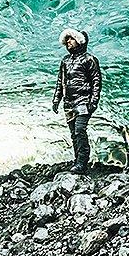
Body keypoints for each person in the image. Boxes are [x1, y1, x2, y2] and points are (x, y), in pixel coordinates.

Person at [52, 28, 102, 173]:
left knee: (80, 130)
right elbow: (60, 82)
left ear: (80, 41)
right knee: (74, 134)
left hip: (83, 101)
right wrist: (56, 100)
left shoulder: (89, 59)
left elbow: (96, 81)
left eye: (71, 39)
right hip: (68, 103)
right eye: (67, 39)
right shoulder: (65, 61)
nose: (68, 41)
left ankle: (82, 163)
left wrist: (93, 102)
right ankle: (77, 161)